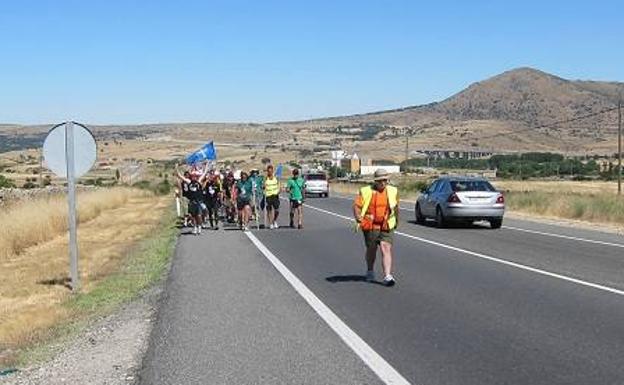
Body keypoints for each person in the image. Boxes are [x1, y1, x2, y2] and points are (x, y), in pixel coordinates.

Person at [352, 169, 399, 287]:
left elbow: (396, 207)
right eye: (380, 181)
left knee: (385, 247)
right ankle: (370, 270)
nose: (383, 183)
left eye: (385, 180)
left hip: (386, 224)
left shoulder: (393, 191)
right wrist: (358, 217)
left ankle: (387, 276)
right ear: (375, 181)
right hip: (371, 226)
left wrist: (397, 220)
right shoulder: (366, 191)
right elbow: (357, 206)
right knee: (372, 249)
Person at [176, 163, 209, 235]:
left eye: (195, 176)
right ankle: (194, 227)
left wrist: (206, 165)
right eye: (193, 176)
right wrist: (176, 168)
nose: (194, 177)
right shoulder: (189, 182)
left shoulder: (199, 181)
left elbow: (205, 173)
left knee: (199, 215)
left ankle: (199, 227)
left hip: (198, 202)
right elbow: (180, 176)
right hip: (191, 202)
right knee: (191, 216)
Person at [264, 165, 281, 229]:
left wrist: (279, 190)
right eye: (268, 171)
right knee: (269, 210)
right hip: (268, 195)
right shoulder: (265, 178)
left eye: (271, 171)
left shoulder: (276, 177)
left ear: (272, 171)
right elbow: (263, 185)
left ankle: (274, 220)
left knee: (277, 210)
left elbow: (279, 184)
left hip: (275, 195)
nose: (270, 172)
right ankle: (270, 223)